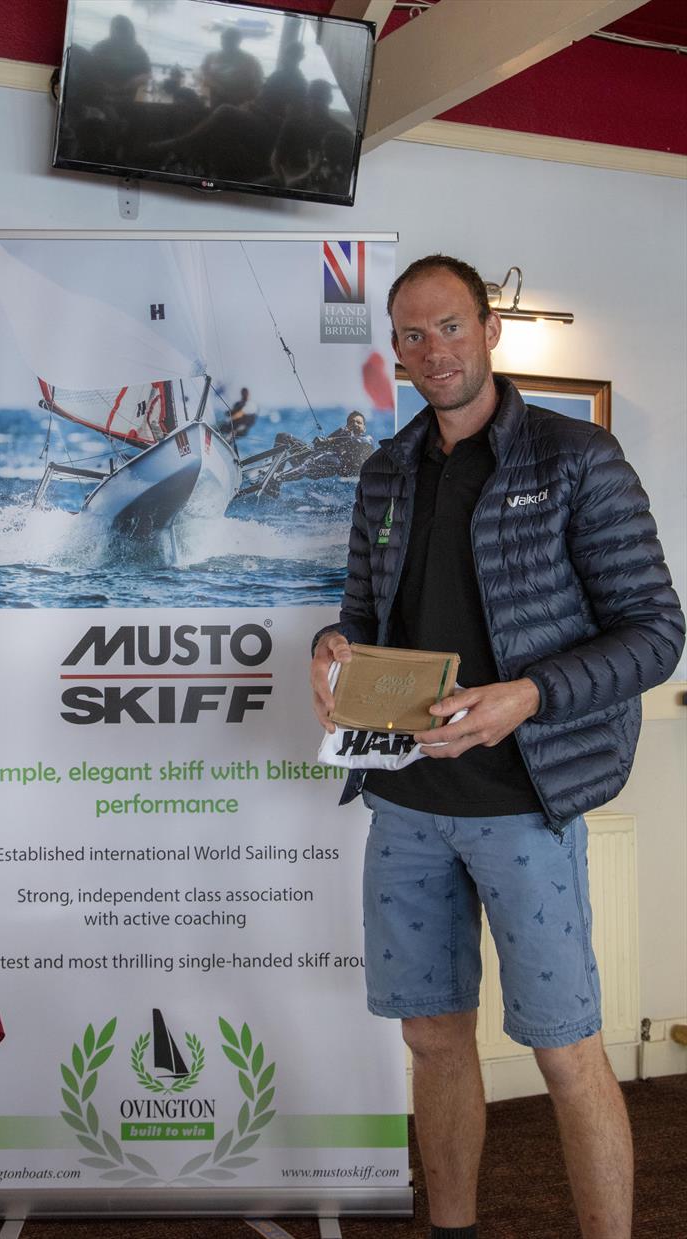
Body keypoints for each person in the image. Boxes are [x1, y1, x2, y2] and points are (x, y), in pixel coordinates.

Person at [310, 255, 685, 1239]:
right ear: (393, 349)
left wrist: (527, 694)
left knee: (566, 1055)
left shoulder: (575, 460)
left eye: (447, 328)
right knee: (431, 1043)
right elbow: (357, 614)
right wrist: (330, 652)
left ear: (488, 332)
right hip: (403, 807)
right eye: (410, 335)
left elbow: (654, 632)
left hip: (525, 802)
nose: (431, 350)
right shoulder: (386, 471)